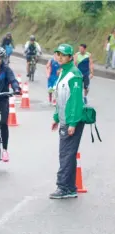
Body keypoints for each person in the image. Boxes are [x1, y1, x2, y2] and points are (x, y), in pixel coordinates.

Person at [51, 44, 85, 199]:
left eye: (63, 55)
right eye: (58, 54)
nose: (60, 57)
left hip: (73, 122)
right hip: (65, 121)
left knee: (65, 155)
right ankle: (70, 187)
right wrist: (56, 117)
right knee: (68, 154)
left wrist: (72, 123)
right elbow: (61, 98)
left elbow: (76, 101)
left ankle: (63, 187)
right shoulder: (63, 73)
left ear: (70, 57)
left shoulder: (74, 75)